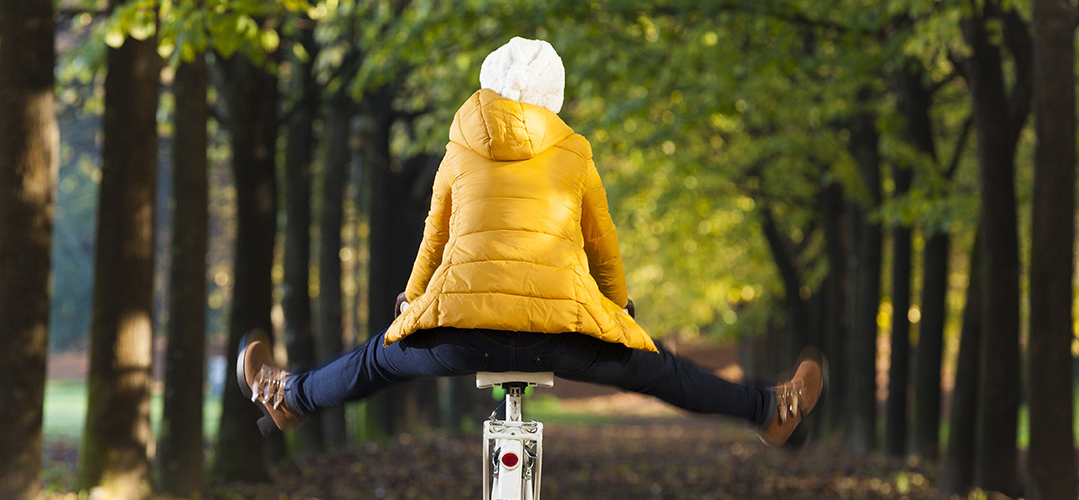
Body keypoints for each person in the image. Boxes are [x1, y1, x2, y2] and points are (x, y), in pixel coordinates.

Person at [238, 36, 822, 446]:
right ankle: (771, 411)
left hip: (459, 334)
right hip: (561, 336)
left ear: (488, 86)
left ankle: (286, 398)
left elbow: (434, 238)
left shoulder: (458, 150)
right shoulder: (574, 152)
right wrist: (617, 307)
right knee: (659, 369)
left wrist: (413, 299)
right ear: (553, 96)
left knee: (373, 361)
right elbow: (603, 245)